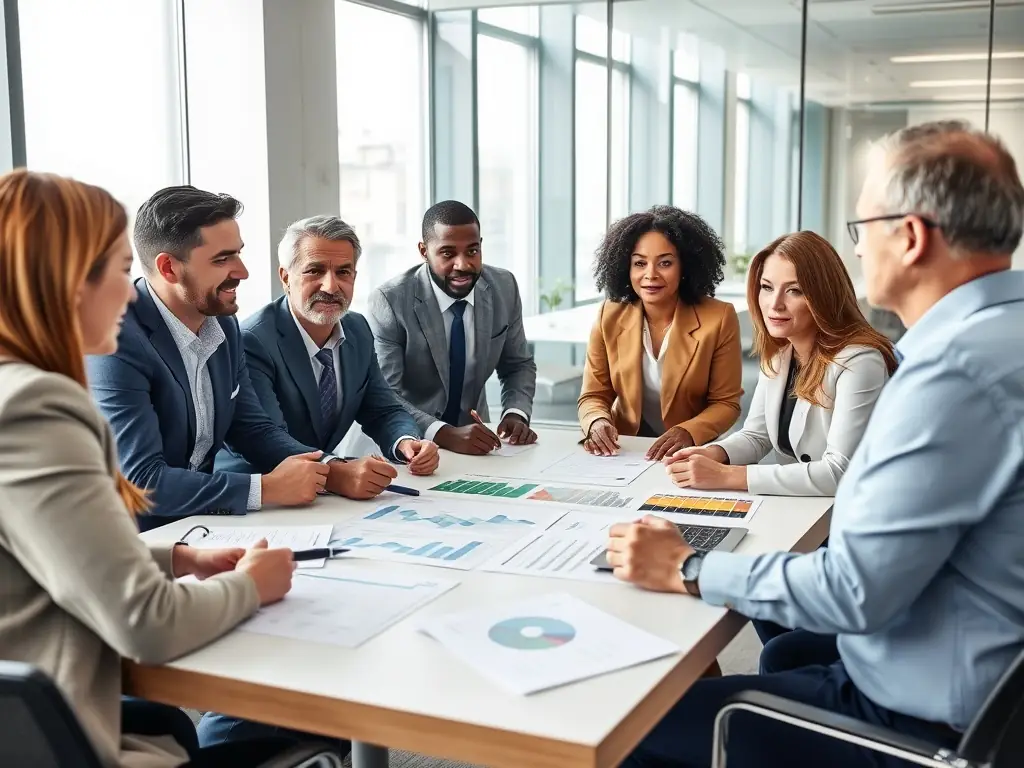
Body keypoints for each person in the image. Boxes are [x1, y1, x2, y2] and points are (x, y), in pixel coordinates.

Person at [607, 120, 1024, 768]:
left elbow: (853, 590)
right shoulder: (1003, 337)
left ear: (910, 237)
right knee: (778, 652)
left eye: (863, 229)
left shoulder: (952, 374)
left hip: (914, 717)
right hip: (954, 665)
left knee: (629, 727)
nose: (857, 250)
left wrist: (685, 566)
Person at [0, 169, 309, 767]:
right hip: (44, 727)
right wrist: (251, 585)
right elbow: (146, 622)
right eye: (119, 271)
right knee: (282, 740)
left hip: (37, 701)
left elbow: (36, 542)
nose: (129, 292)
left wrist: (175, 558)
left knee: (173, 726)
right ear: (65, 283)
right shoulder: (37, 408)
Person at [87, 186, 347, 532]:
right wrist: (264, 489)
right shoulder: (115, 340)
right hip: (129, 540)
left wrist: (332, 469)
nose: (242, 271)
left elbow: (252, 429)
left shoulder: (224, 323)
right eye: (222, 259)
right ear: (168, 268)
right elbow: (143, 482)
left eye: (238, 254)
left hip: (201, 527)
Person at [216, 215, 439, 497]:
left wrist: (406, 443)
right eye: (314, 271)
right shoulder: (253, 340)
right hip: (258, 493)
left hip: (320, 494)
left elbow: (383, 409)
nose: (331, 287)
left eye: (344, 272)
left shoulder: (357, 329)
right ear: (285, 277)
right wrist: (336, 469)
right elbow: (267, 440)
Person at [664, 230, 898, 496]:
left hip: (847, 518)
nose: (775, 304)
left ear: (824, 296)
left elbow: (839, 471)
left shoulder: (860, 361)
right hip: (799, 509)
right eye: (766, 287)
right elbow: (756, 436)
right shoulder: (782, 352)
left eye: (794, 291)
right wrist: (713, 453)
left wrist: (729, 476)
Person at [366, 200, 538, 455]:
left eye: (472, 251)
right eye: (448, 253)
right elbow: (386, 393)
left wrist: (516, 413)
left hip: (477, 440)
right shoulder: (390, 301)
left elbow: (517, 365)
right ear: (424, 251)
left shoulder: (504, 286)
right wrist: (443, 434)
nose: (463, 265)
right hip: (407, 440)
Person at [577, 205, 743, 461]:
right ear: (626, 267)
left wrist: (687, 431)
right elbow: (594, 394)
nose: (650, 275)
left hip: (689, 449)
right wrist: (597, 422)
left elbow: (726, 403)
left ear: (684, 267)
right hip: (625, 448)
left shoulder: (719, 318)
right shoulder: (608, 316)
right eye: (639, 263)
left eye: (665, 263)